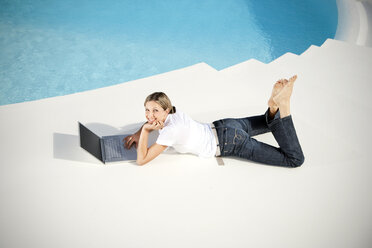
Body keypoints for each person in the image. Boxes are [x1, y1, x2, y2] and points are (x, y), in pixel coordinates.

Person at [124, 75, 304, 167]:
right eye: (147, 110)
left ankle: (284, 107)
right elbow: (149, 120)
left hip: (229, 142)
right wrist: (137, 132)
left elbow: (142, 160)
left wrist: (146, 132)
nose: (150, 115)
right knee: (268, 121)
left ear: (166, 109)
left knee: (294, 159)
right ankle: (273, 107)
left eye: (155, 110)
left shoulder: (170, 132)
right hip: (225, 125)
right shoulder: (174, 113)